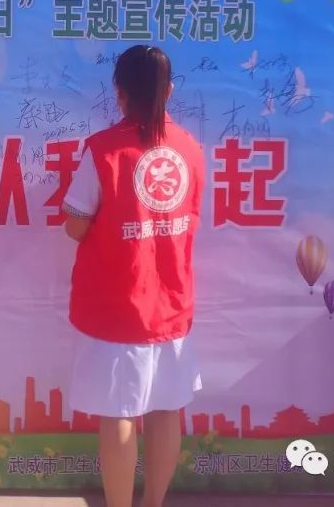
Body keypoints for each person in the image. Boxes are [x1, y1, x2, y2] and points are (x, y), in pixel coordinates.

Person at [60, 45, 204, 507]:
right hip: (171, 304)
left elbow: (75, 225)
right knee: (165, 410)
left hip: (118, 305)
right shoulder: (190, 148)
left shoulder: (103, 150)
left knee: (119, 414)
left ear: (119, 93)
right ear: (169, 91)